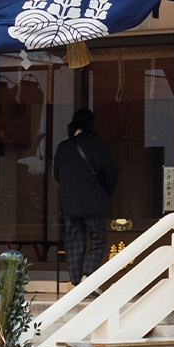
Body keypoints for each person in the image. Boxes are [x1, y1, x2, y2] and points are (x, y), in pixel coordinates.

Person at [53, 108, 118, 287]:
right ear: (90, 124)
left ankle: (75, 282)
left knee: (73, 242)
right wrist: (104, 193)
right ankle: (88, 276)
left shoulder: (63, 147)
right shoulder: (97, 145)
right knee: (98, 238)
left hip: (70, 204)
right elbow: (111, 172)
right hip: (93, 202)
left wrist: (70, 187)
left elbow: (57, 174)